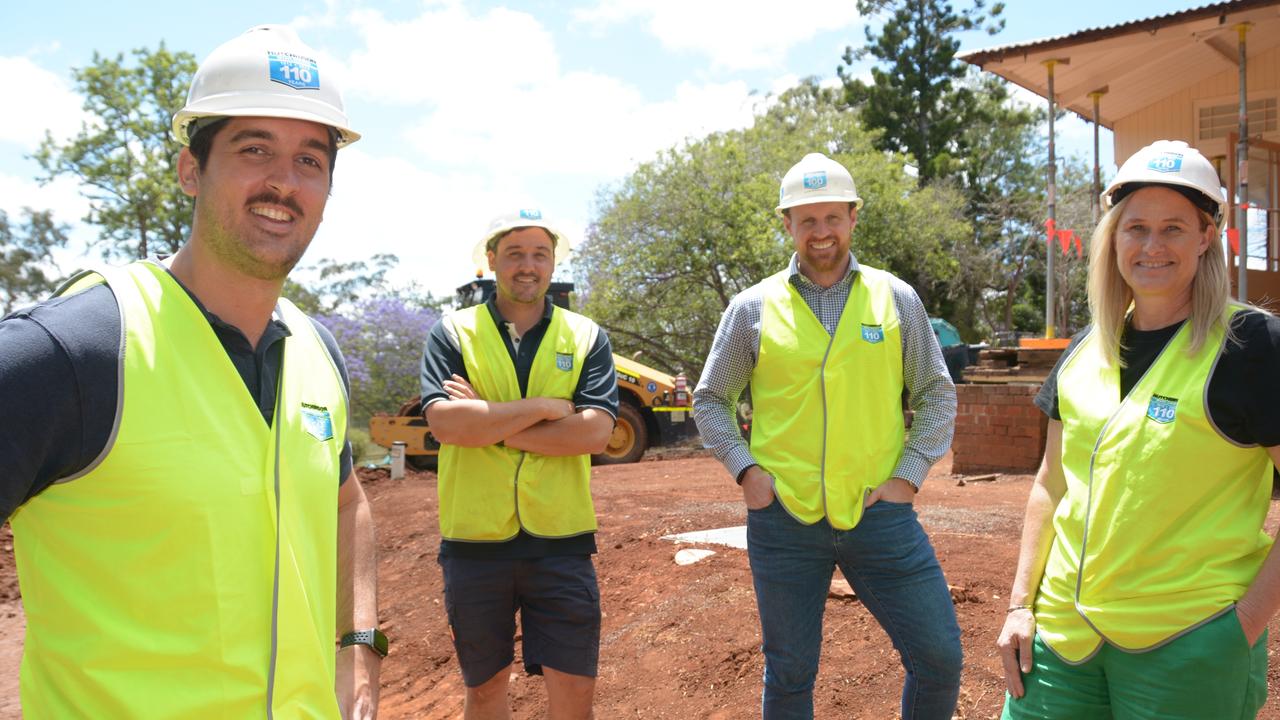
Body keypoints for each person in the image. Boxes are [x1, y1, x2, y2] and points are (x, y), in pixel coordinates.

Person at [0, 26, 381, 717]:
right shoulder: (74, 352)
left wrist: (355, 645)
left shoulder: (317, 352)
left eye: (310, 159)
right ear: (189, 169)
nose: (283, 183)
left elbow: (346, 502)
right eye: (253, 148)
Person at [996, 139, 1280, 719]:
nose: (1152, 246)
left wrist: (1245, 623)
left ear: (1206, 238)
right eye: (1136, 227)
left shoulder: (1250, 346)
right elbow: (1051, 484)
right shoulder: (1084, 348)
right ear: (1113, 237)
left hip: (1187, 644)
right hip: (1061, 642)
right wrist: (1020, 605)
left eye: (1174, 228)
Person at [693, 152, 961, 719]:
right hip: (783, 520)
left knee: (939, 657)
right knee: (789, 673)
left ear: (853, 218)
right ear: (787, 224)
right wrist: (749, 473)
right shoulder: (752, 308)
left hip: (880, 515)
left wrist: (907, 478)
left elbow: (936, 393)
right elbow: (711, 399)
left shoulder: (895, 299)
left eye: (832, 218)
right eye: (806, 220)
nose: (821, 233)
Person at [420, 208, 619, 719]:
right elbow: (447, 426)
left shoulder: (586, 336)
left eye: (539, 254)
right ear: (492, 260)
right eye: (514, 254)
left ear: (553, 264)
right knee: (485, 694)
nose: (527, 266)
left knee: (575, 698)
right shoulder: (453, 333)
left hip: (562, 544)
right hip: (474, 545)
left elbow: (595, 433)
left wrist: (489, 420)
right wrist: (545, 410)